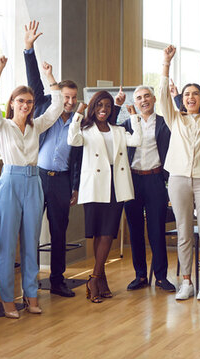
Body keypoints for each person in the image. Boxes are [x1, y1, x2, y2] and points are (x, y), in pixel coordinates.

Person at [0, 55, 64, 318]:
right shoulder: (1, 125)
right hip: (9, 182)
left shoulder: (36, 125)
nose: (25, 105)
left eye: (29, 102)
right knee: (7, 244)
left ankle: (31, 296)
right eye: (20, 101)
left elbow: (57, 106)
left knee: (32, 242)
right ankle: (8, 301)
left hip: (34, 182)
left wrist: (50, 77)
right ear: (11, 103)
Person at [158, 45, 200, 301]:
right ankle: (186, 281)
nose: (191, 97)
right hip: (179, 179)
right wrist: (166, 63)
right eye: (187, 94)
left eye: (196, 94)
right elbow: (163, 96)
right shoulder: (175, 120)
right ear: (182, 99)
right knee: (184, 232)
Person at [24, 20, 80, 298]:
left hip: (62, 181)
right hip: (39, 177)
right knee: (32, 230)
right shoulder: (46, 108)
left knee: (59, 233)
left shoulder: (79, 122)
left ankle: (57, 280)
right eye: (65, 97)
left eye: (73, 98)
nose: (69, 102)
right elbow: (34, 83)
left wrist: (75, 185)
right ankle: (30, 282)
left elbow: (79, 156)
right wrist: (29, 49)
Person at [68, 90, 138, 303]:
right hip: (95, 185)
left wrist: (133, 114)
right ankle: (102, 280)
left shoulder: (118, 129)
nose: (103, 110)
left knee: (108, 233)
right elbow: (72, 139)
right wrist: (78, 114)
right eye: (99, 105)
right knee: (98, 234)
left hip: (115, 184)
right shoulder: (85, 130)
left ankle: (94, 278)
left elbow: (137, 140)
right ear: (93, 106)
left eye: (107, 106)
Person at [115, 85, 176, 292]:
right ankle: (140, 275)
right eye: (139, 98)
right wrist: (118, 105)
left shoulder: (165, 123)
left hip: (155, 179)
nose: (143, 100)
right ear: (135, 102)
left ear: (154, 98)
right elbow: (110, 129)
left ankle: (161, 277)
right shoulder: (128, 123)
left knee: (157, 230)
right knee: (135, 230)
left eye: (146, 96)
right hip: (132, 180)